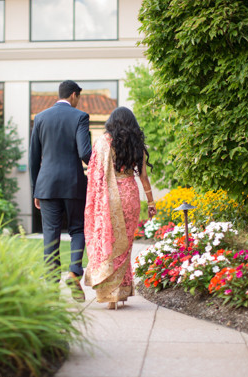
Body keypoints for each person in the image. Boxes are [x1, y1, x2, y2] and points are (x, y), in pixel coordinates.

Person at [84, 106, 156, 310]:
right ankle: (119, 292)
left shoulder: (102, 143)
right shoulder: (137, 144)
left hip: (110, 198)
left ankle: (111, 294)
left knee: (110, 242)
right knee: (125, 245)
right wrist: (151, 203)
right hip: (130, 195)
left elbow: (94, 174)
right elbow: (143, 177)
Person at [29, 80, 92, 302]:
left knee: (50, 235)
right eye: (79, 98)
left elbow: (33, 158)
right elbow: (85, 152)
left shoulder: (41, 118)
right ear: (74, 95)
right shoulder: (80, 117)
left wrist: (36, 190)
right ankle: (74, 272)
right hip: (73, 184)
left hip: (46, 186)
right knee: (77, 229)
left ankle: (51, 288)